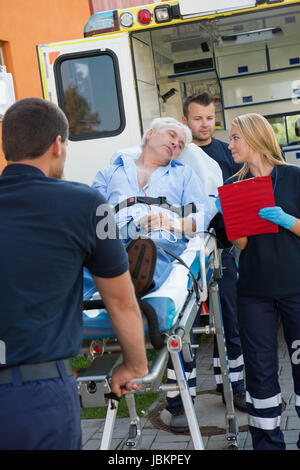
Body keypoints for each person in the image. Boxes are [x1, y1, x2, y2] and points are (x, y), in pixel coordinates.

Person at [0, 98, 148, 450]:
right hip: (33, 399)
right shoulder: (86, 204)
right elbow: (122, 301)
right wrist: (134, 366)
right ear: (57, 144)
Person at [86, 117, 211, 432]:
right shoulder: (111, 172)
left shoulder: (183, 174)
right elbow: (92, 214)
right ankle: (99, 285)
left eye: (181, 143)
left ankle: (133, 278)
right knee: (89, 257)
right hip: (114, 234)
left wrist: (174, 223)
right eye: (172, 135)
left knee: (151, 253)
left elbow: (201, 215)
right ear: (150, 134)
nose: (176, 144)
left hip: (160, 235)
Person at [217, 112, 300, 450]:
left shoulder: (294, 178)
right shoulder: (236, 188)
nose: (230, 144)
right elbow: (244, 247)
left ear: (254, 139)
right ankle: (267, 443)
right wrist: (237, 229)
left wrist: (287, 219)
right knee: (261, 373)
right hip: (254, 293)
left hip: (297, 288)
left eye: (235, 137)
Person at [182, 91, 247, 412]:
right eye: (197, 118)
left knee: (231, 321)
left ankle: (233, 387)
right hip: (185, 258)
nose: (205, 124)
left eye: (209, 118)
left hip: (224, 253)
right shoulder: (176, 155)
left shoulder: (226, 153)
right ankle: (182, 398)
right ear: (185, 120)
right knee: (185, 326)